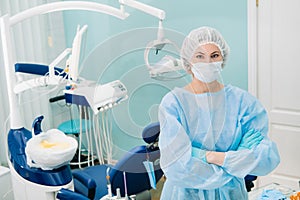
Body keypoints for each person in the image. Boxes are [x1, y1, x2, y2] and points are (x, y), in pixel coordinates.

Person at [158, 26, 280, 200]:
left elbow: (267, 158)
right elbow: (177, 165)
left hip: (230, 194)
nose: (208, 62)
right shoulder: (174, 103)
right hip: (184, 194)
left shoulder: (244, 103)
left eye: (214, 55)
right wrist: (234, 160)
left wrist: (206, 156)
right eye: (199, 56)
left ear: (223, 59)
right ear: (188, 63)